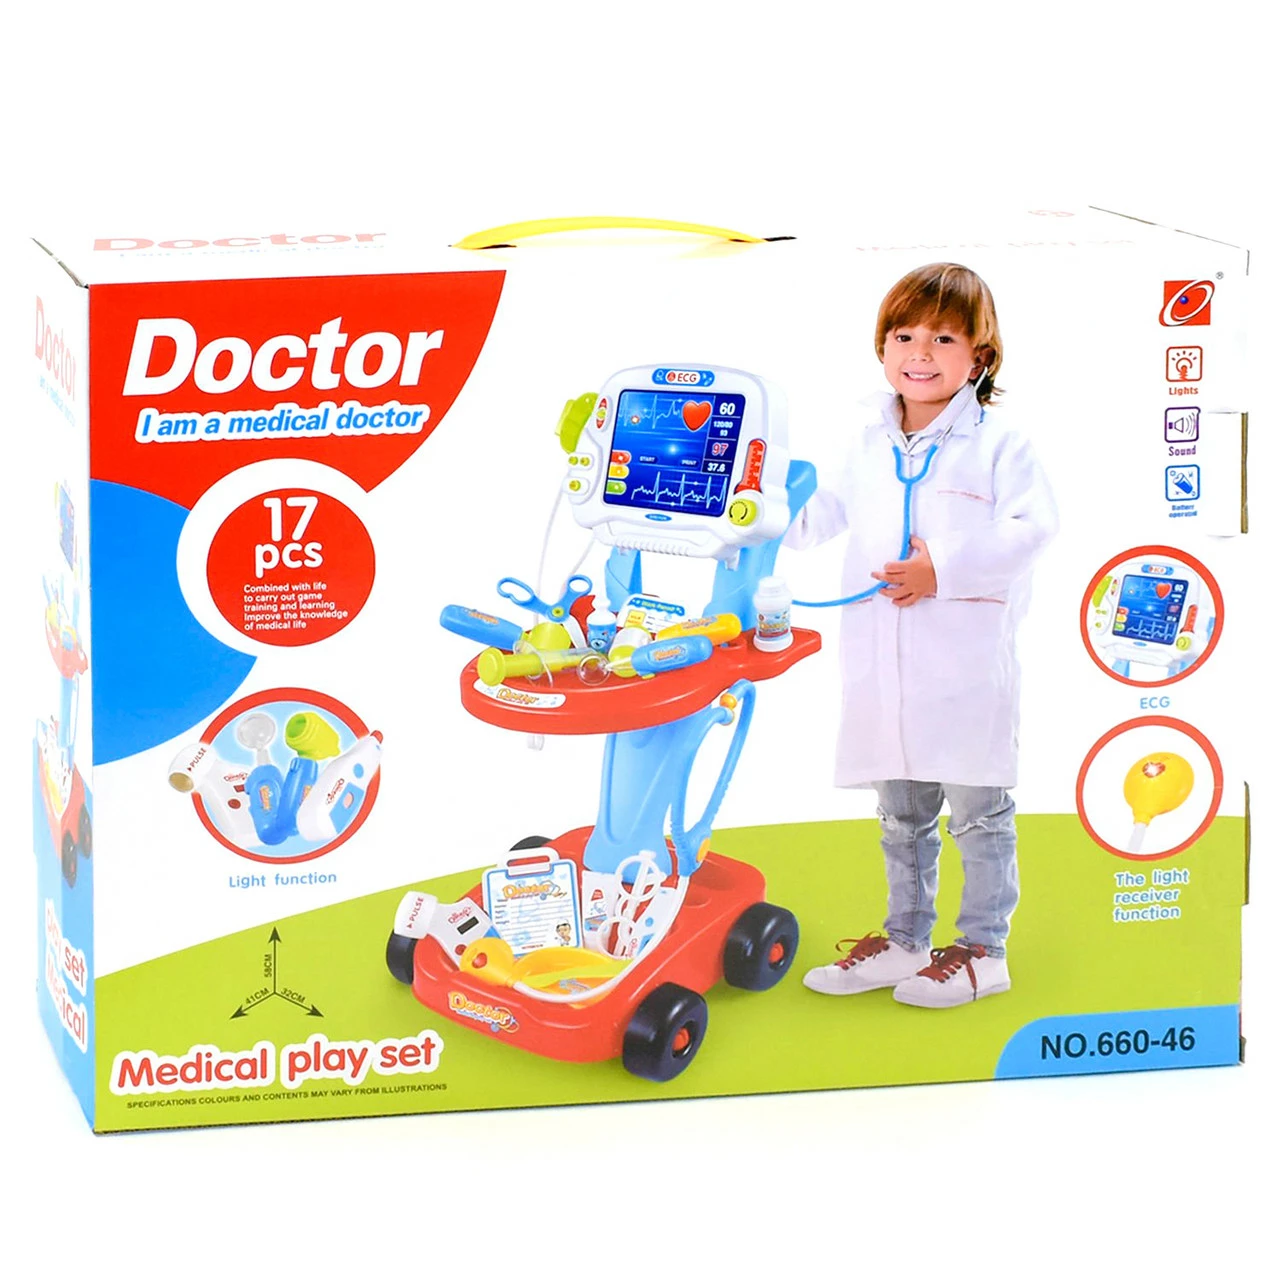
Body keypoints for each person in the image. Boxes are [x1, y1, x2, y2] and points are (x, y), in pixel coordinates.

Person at [790, 262, 1058, 1008]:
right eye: (904, 335)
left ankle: (982, 952)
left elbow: (1033, 528)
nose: (920, 352)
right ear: (882, 347)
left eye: (943, 338)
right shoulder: (865, 443)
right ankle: (906, 941)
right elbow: (812, 520)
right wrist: (749, 504)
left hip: (962, 666)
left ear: (980, 355)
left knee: (978, 815)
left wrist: (941, 567)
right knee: (901, 814)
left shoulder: (1000, 443)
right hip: (885, 663)